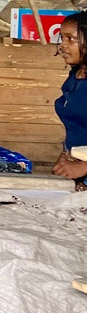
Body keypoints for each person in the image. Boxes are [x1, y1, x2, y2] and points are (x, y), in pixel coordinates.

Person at [54, 12, 87, 186]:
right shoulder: (76, 76)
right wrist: (65, 158)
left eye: (70, 39)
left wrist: (83, 167)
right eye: (61, 38)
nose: (63, 45)